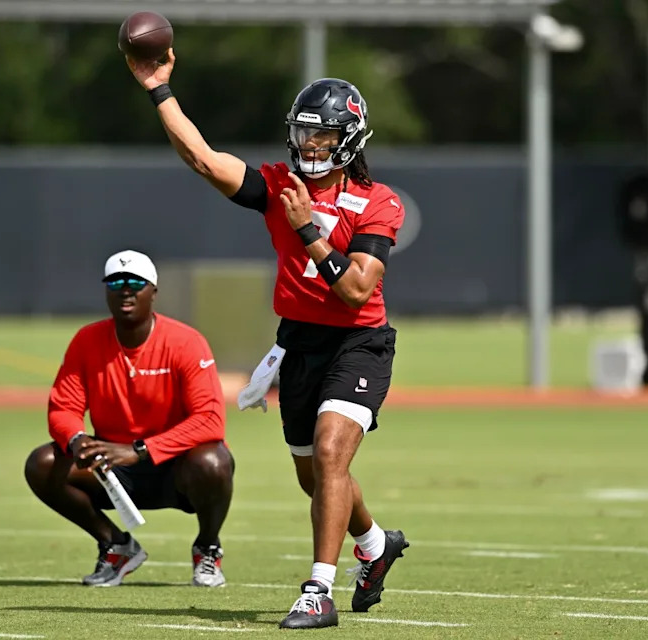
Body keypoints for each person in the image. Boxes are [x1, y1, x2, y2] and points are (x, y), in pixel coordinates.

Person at [127, 53, 409, 628]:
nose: (309, 146)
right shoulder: (279, 185)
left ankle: (318, 591)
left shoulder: (378, 201)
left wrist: (308, 229)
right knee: (316, 476)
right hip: (298, 344)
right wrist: (160, 90)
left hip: (358, 342)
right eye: (303, 133)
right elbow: (204, 160)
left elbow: (356, 290)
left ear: (349, 140)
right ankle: (376, 544)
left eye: (322, 136)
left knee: (332, 454)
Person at [24, 249, 234, 588]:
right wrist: (77, 439)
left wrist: (140, 450)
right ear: (106, 290)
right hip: (111, 470)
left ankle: (207, 547)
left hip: (174, 467)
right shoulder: (86, 341)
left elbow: (209, 420)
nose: (126, 289)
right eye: (116, 281)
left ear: (153, 291)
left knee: (214, 461)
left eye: (136, 282)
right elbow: (63, 407)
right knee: (43, 462)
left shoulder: (185, 342)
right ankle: (116, 545)